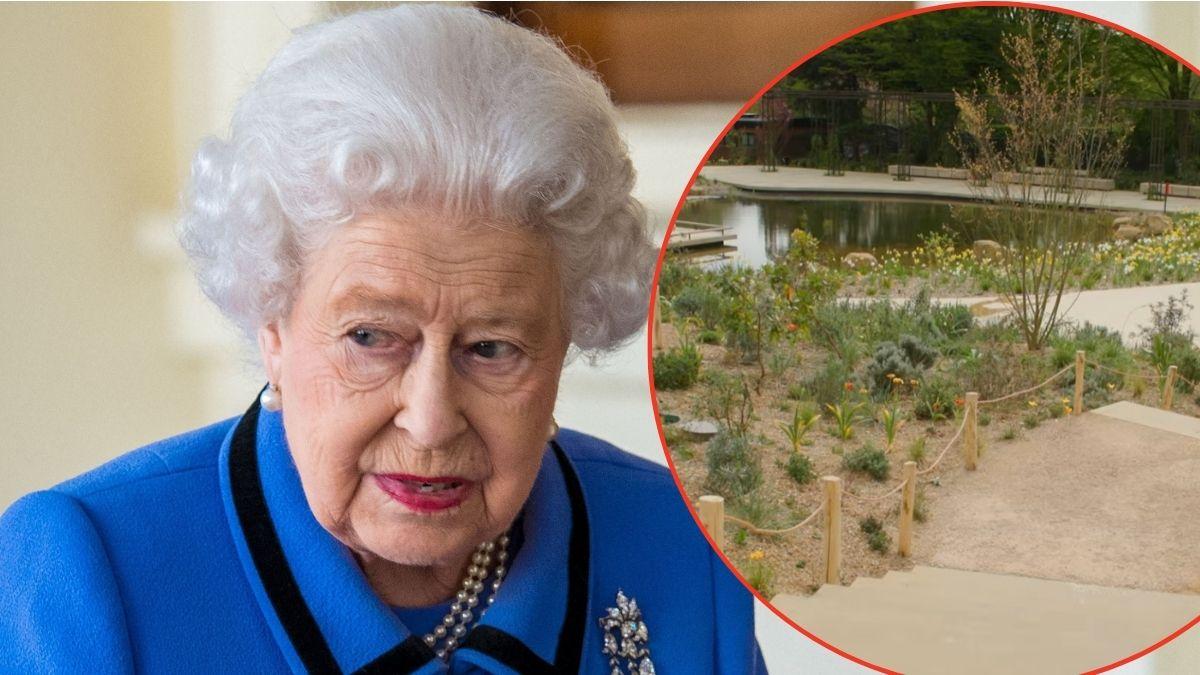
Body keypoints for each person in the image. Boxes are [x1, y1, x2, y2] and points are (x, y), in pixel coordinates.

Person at [0, 5, 765, 673]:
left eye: (492, 347)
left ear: (567, 338)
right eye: (371, 336)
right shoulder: (91, 571)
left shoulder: (680, 542)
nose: (431, 419)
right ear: (272, 320)